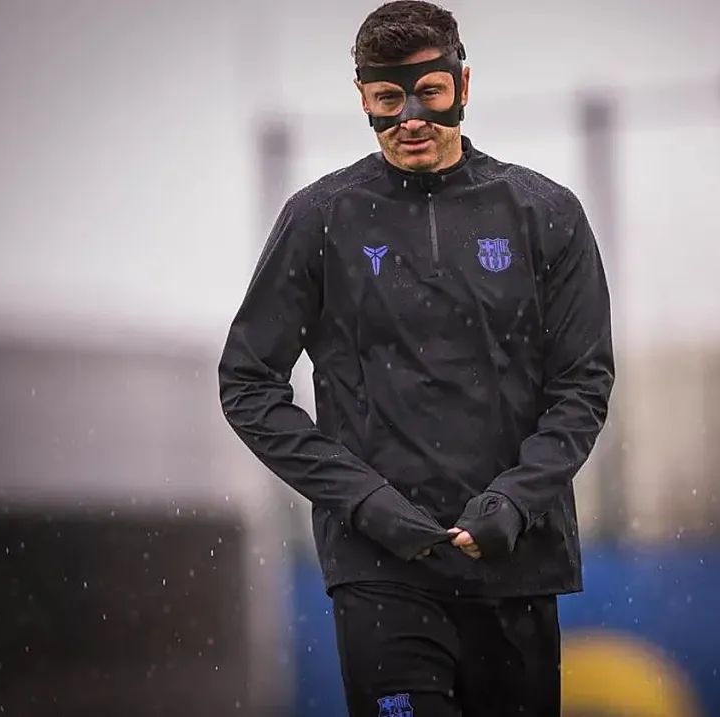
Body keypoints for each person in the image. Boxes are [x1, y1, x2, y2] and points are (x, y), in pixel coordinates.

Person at [218, 1, 614, 714]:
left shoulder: (546, 213)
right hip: (380, 573)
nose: (410, 119)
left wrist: (515, 503)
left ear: (463, 85)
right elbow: (248, 383)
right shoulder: (320, 218)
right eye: (387, 98)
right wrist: (365, 501)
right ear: (363, 99)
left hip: (517, 565)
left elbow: (582, 386)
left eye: (429, 93)